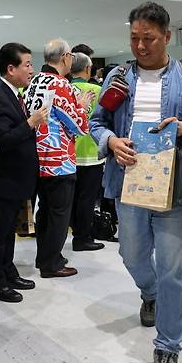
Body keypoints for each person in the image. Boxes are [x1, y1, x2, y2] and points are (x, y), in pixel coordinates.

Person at [90, 1, 182, 363]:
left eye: (148, 38)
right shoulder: (117, 76)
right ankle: (150, 294)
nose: (140, 46)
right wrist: (111, 141)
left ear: (166, 36)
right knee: (131, 255)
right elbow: (96, 123)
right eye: (134, 38)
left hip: (175, 189)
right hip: (127, 184)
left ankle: (167, 347)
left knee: (174, 270)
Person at [0, 43, 47, 303]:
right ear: (10, 69)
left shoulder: (14, 94)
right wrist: (31, 123)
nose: (31, 69)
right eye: (27, 64)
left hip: (16, 180)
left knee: (8, 231)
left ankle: (7, 272)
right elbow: (2, 140)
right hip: (3, 179)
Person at [25, 38, 92, 278]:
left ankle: (45, 256)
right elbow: (79, 126)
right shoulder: (61, 85)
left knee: (45, 211)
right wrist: (82, 106)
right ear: (65, 57)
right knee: (59, 213)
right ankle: (51, 263)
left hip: (36, 157)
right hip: (59, 159)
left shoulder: (34, 82)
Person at [69, 52, 105, 251]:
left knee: (72, 198)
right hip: (92, 154)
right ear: (87, 69)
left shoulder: (65, 90)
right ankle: (83, 237)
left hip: (69, 154)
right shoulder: (97, 90)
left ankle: (75, 231)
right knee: (87, 198)